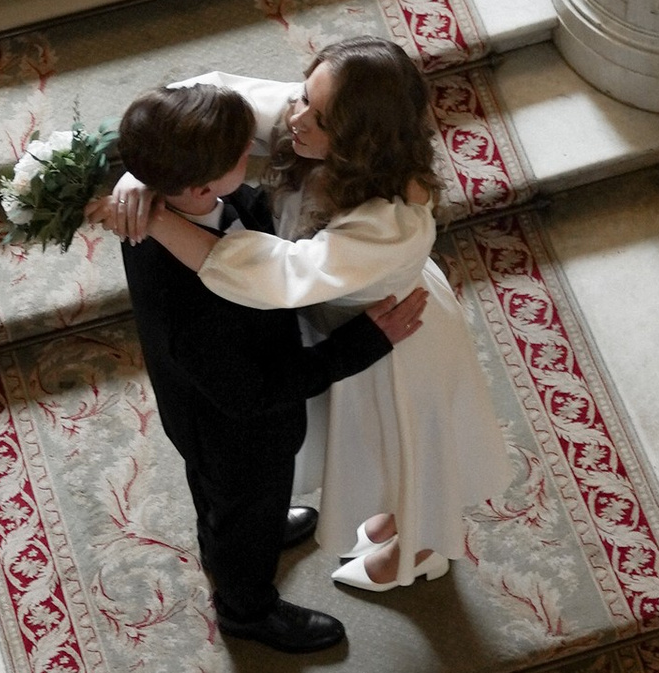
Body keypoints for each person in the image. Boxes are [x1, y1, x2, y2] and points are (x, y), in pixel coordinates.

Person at [101, 40, 510, 594]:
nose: (292, 118)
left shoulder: (394, 220)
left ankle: (422, 548)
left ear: (359, 141)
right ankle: (391, 516)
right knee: (372, 445)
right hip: (335, 328)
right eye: (301, 96)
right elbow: (201, 106)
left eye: (316, 117)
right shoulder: (306, 123)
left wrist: (159, 218)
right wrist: (145, 175)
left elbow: (285, 275)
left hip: (393, 338)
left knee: (412, 447)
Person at [104, 77, 429, 656]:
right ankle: (245, 608)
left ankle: (240, 534)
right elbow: (256, 393)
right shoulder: (188, 300)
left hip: (209, 412)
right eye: (240, 155)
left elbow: (251, 227)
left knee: (235, 507)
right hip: (236, 433)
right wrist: (365, 341)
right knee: (240, 508)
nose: (253, 155)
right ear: (203, 183)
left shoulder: (178, 205)